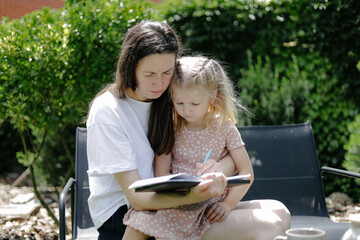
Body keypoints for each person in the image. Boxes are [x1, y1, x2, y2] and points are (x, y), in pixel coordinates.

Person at [86, 20, 237, 240]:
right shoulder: (108, 111)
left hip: (177, 204)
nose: (159, 83)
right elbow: (137, 198)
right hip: (129, 217)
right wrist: (195, 195)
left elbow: (230, 150)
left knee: (277, 211)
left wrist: (217, 169)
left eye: (167, 72)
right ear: (131, 67)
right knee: (267, 225)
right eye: (149, 74)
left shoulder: (175, 100)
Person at [122, 56, 291, 240]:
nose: (186, 110)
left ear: (214, 96)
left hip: (211, 207)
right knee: (272, 224)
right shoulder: (171, 127)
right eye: (179, 103)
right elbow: (161, 175)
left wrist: (227, 204)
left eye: (194, 104)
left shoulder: (224, 126)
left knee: (282, 211)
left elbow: (247, 173)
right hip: (181, 206)